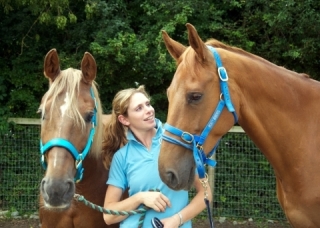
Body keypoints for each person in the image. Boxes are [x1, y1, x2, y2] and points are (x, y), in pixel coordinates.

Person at [102, 85, 212, 228]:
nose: (149, 110)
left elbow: (205, 194)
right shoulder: (122, 157)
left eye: (148, 104)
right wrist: (140, 198)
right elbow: (109, 216)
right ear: (124, 120)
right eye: (139, 108)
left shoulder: (177, 143)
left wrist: (177, 220)